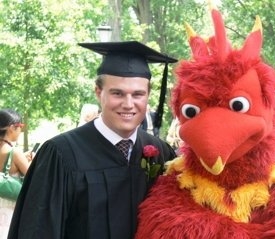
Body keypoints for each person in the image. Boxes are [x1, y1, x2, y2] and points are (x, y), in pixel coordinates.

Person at [8, 41, 178, 239]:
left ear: (148, 95)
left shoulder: (160, 153)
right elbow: (38, 230)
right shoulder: (61, 154)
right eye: (117, 93)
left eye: (138, 94)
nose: (128, 104)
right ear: (98, 92)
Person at [0, 109, 32, 239]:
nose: (21, 130)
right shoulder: (15, 153)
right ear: (12, 128)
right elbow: (34, 177)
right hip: (9, 213)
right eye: (21, 126)